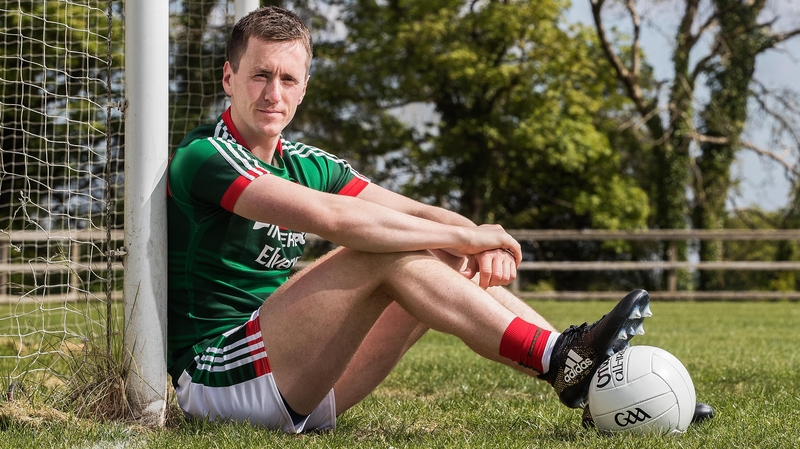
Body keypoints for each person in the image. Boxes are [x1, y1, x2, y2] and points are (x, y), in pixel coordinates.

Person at [166, 6, 704, 433]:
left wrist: (472, 242)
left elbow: (414, 211)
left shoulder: (308, 163)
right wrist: (467, 236)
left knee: (434, 249)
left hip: (299, 377)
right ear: (229, 77)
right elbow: (337, 218)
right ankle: (558, 357)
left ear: (304, 87)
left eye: (288, 78)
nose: (273, 93)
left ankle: (598, 382)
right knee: (384, 252)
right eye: (260, 75)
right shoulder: (206, 157)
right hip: (218, 379)